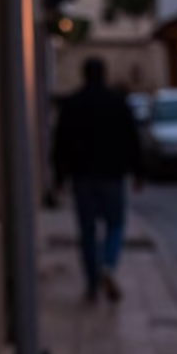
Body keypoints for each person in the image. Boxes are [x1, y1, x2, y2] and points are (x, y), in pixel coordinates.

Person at [53, 57, 143, 303]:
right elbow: (132, 139)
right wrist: (138, 173)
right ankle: (109, 265)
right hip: (113, 175)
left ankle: (92, 283)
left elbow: (60, 143)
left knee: (87, 231)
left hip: (82, 177)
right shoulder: (118, 103)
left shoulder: (72, 104)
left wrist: (59, 178)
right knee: (115, 224)